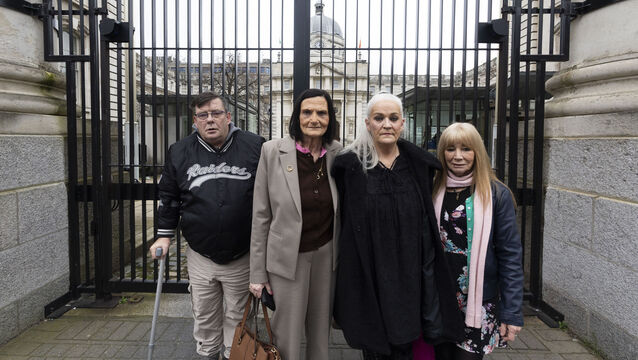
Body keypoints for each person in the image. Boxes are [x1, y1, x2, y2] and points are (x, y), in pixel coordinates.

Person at [332, 93, 464, 360]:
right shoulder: (349, 167)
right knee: (375, 345)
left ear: (403, 123)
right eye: (379, 118)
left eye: (393, 118)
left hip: (411, 276)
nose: (387, 124)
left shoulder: (420, 166)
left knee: (406, 343)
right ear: (368, 123)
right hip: (370, 272)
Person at [149, 92, 265, 360]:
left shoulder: (255, 146)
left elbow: (270, 195)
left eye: (215, 113)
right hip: (201, 252)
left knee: (239, 316)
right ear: (195, 121)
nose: (210, 120)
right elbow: (169, 196)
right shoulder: (179, 151)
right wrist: (164, 236)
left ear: (228, 116)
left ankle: (233, 354)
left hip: (242, 252)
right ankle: (208, 353)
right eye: (203, 115)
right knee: (204, 313)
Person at [249, 89, 342, 360]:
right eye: (307, 112)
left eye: (322, 112)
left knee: (320, 333)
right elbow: (261, 215)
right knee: (285, 336)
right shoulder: (271, 151)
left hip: (326, 256)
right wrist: (257, 273)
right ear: (297, 116)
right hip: (287, 259)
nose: (314, 118)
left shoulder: (339, 153)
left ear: (330, 118)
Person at [432, 122, 524, 360]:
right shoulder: (431, 189)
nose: (458, 156)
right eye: (451, 149)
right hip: (439, 299)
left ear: (478, 153)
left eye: (467, 149)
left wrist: (512, 313)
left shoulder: (496, 193)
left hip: (479, 302)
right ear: (442, 152)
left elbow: (510, 256)